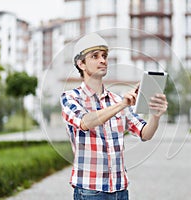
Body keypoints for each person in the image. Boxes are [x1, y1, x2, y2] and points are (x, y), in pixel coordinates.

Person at [60, 33, 168, 200]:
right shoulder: (70, 97)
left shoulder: (117, 100)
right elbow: (85, 122)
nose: (103, 60)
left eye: (104, 56)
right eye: (95, 56)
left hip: (120, 190)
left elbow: (145, 134)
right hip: (89, 191)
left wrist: (155, 115)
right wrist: (122, 105)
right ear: (81, 64)